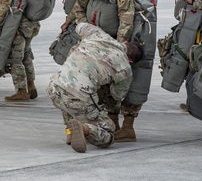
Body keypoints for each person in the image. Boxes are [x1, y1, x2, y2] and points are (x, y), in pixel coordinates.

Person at [48, 21, 143, 152]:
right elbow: (117, 95)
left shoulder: (98, 34)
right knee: (109, 132)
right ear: (131, 60)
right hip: (77, 98)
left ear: (125, 43)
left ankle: (70, 132)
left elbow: (80, 26)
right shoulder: (125, 68)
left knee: (69, 100)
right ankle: (84, 129)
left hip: (54, 87)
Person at [71, 0, 140, 140]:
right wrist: (86, 34)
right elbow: (79, 9)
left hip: (118, 40)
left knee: (121, 81)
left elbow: (126, 23)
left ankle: (124, 126)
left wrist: (114, 52)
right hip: (96, 38)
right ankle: (109, 123)